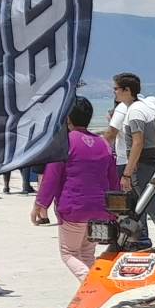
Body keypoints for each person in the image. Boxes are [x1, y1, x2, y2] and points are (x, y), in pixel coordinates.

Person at [32, 98, 120, 280]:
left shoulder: (65, 143)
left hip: (74, 208)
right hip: (100, 209)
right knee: (87, 254)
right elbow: (113, 180)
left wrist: (40, 204)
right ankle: (95, 290)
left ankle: (94, 288)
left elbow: (52, 177)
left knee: (68, 253)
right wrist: (115, 210)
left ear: (67, 118)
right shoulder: (104, 144)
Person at [108, 73, 155, 247]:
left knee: (151, 208)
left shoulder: (134, 111)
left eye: (116, 89)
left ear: (127, 90)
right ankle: (135, 242)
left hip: (140, 165)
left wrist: (127, 173)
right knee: (139, 207)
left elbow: (137, 142)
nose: (114, 93)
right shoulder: (150, 107)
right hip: (151, 163)